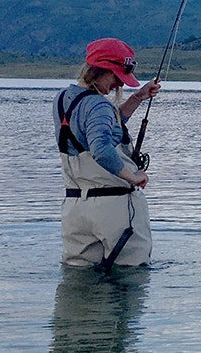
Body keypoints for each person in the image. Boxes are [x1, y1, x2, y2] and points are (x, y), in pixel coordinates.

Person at [54, 38, 161, 268]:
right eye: (116, 78)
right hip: (113, 208)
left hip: (75, 209)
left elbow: (106, 127)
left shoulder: (63, 99)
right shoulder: (99, 106)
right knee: (131, 275)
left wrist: (138, 97)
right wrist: (134, 177)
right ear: (100, 70)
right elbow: (101, 149)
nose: (118, 86)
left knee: (77, 281)